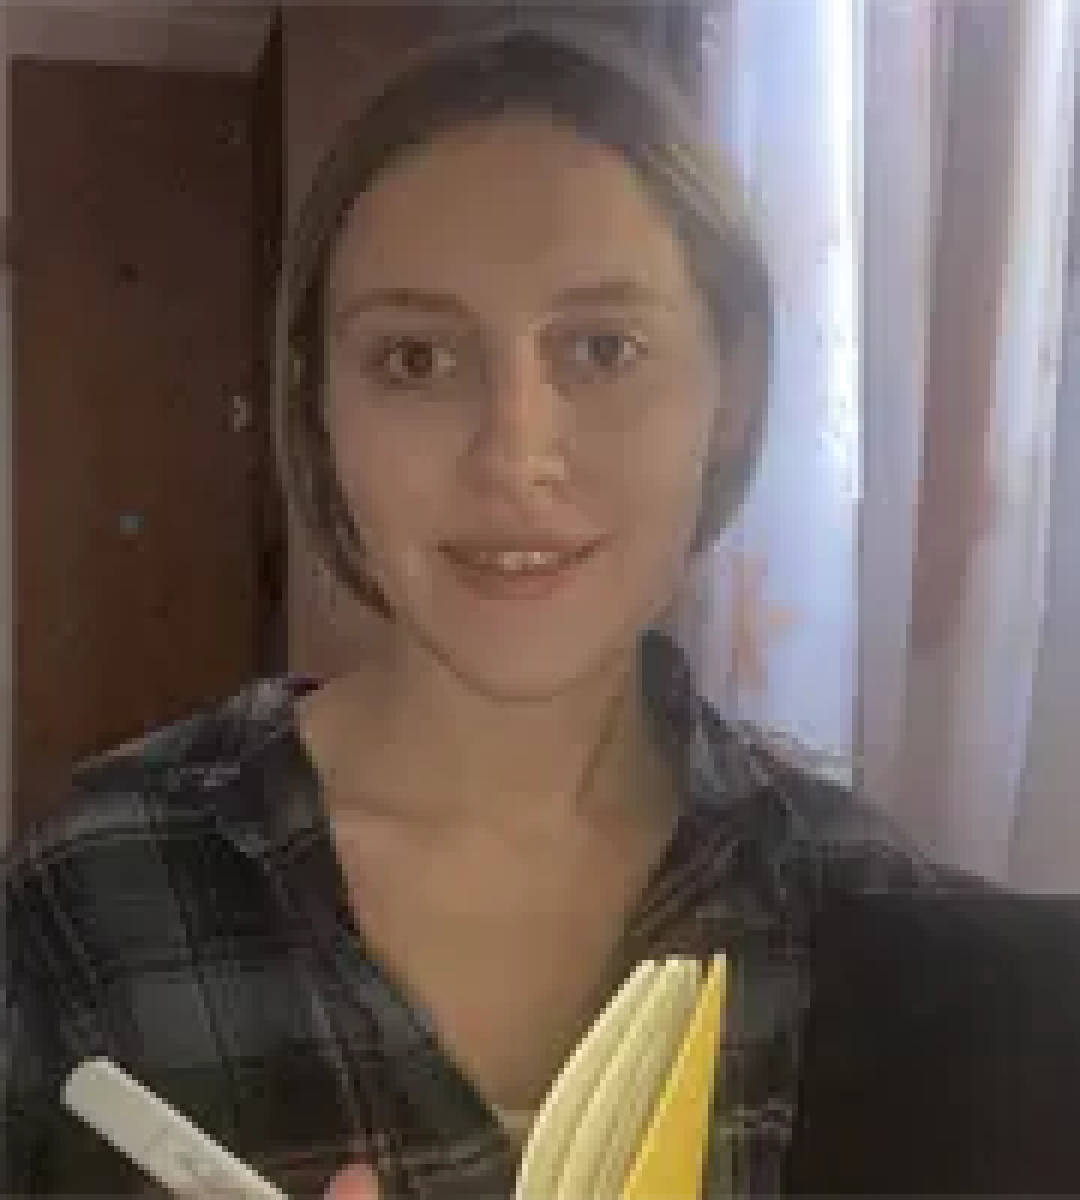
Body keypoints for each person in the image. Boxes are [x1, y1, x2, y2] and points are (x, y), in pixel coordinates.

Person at [1, 18, 940, 1199]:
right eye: (415, 360)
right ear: (321, 409)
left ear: (732, 396)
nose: (513, 456)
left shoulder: (872, 914)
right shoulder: (92, 895)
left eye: (602, 349)